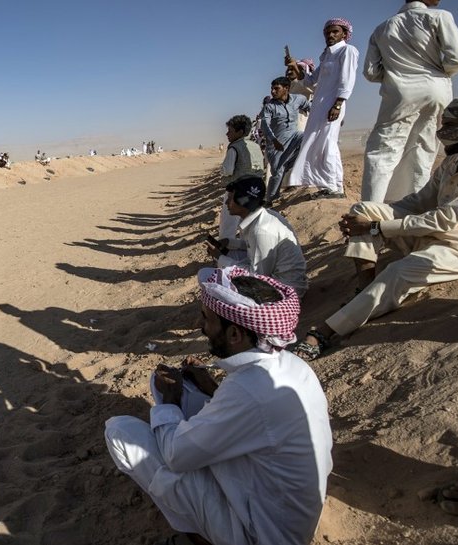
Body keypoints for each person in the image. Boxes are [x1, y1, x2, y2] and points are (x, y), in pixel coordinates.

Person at [104, 267, 331, 545]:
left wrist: (170, 400)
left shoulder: (248, 388)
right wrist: (210, 387)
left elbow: (176, 456)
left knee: (121, 431)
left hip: (261, 534)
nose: (202, 327)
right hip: (287, 516)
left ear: (235, 334)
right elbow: (255, 417)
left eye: (207, 319)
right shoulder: (293, 365)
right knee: (192, 394)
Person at [291, 96, 458, 359]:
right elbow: (420, 201)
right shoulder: (452, 160)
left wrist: (377, 227)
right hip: (427, 230)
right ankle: (364, 288)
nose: (443, 129)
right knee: (363, 208)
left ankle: (325, 331)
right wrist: (378, 216)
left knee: (397, 272)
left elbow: (444, 219)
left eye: (451, 124)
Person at [361, 0, 458, 203]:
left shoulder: (382, 28)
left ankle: (369, 219)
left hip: (401, 94)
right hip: (437, 91)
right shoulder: (440, 17)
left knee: (383, 153)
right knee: (422, 151)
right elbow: (456, 60)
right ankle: (409, 214)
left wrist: (396, 72)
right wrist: (436, 72)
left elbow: (370, 72)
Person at [286, 18, 359, 198]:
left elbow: (347, 80)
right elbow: (311, 80)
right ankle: (326, 184)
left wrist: (338, 103)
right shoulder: (326, 55)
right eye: (327, 32)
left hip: (333, 104)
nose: (330, 35)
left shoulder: (347, 51)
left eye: (335, 32)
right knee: (316, 143)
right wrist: (295, 66)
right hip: (319, 105)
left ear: (344, 34)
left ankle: (336, 187)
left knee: (328, 143)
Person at [208, 177, 308, 296]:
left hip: (284, 292)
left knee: (208, 278)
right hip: (275, 277)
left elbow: (258, 277)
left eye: (230, 199)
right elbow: (253, 246)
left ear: (242, 201)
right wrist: (229, 242)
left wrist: (220, 258)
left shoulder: (261, 230)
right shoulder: (261, 216)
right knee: (229, 256)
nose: (226, 204)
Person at [218, 115, 264, 257]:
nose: (227, 134)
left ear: (240, 132)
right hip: (255, 192)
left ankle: (223, 255)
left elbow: (227, 170)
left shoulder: (234, 147)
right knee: (247, 226)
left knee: (228, 225)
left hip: (236, 192)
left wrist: (222, 171)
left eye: (230, 131)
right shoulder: (256, 146)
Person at [262, 77, 311, 203]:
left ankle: (296, 170)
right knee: (278, 172)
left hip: (294, 138)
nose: (272, 91)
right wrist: (273, 140)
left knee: (307, 137)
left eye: (276, 88)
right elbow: (265, 126)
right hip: (276, 145)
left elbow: (310, 107)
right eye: (272, 89)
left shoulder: (298, 99)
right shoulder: (269, 107)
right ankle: (270, 200)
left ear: (286, 89)